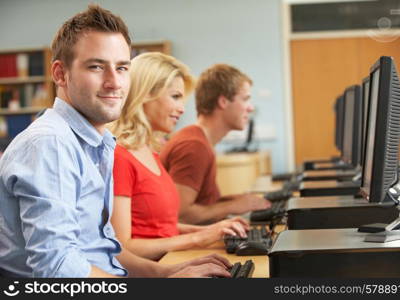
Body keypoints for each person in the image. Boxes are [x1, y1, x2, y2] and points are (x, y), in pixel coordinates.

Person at [0, 5, 232, 278]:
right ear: (60, 74)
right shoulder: (50, 143)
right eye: (96, 66)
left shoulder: (98, 143)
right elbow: (58, 270)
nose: (114, 82)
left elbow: (105, 247)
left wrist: (166, 273)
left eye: (122, 68)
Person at [109, 53, 249, 261]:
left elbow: (159, 227)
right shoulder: (120, 156)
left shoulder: (149, 151)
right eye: (175, 97)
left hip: (169, 263)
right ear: (144, 95)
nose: (182, 109)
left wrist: (212, 231)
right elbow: (122, 247)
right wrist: (197, 239)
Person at [160, 64, 272, 225]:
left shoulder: (199, 140)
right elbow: (180, 215)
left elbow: (200, 203)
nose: (250, 108)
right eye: (245, 99)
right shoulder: (194, 146)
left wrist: (231, 201)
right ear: (223, 102)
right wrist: (232, 206)